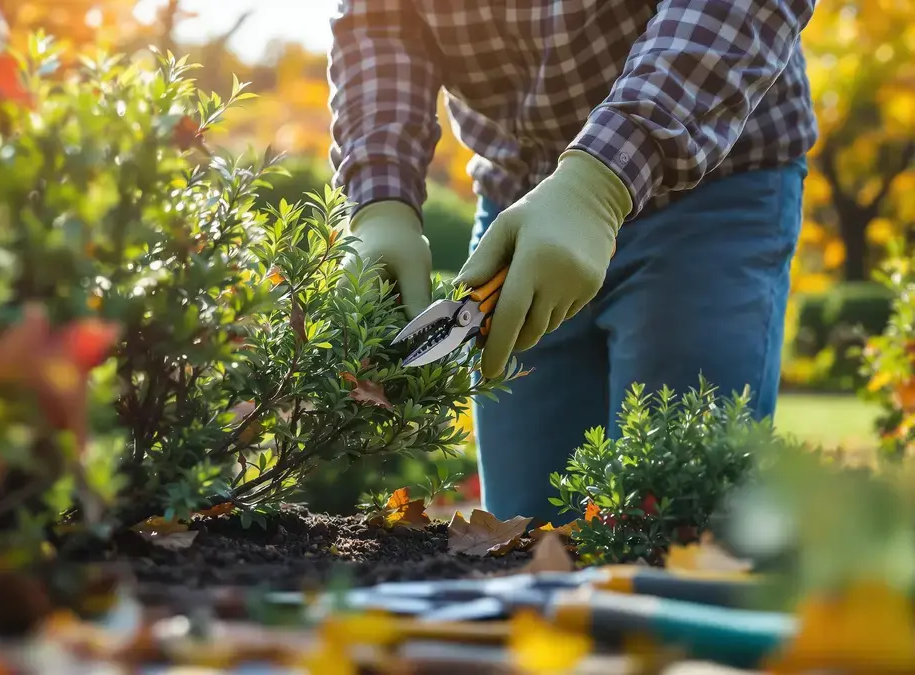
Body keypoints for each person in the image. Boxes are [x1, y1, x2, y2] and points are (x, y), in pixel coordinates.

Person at [327, 0, 817, 524]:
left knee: (678, 523)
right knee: (522, 531)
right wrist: (380, 200)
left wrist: (600, 182)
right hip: (517, 211)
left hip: (709, 182)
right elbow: (378, 20)